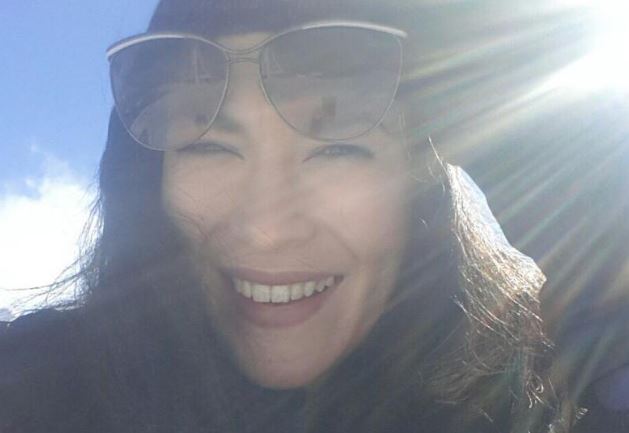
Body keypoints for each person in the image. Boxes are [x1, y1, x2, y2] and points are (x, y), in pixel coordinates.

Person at [0, 1, 570, 432]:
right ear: (146, 182)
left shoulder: (530, 400)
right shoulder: (34, 385)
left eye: (338, 148)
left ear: (418, 186)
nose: (267, 230)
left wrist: (583, 233)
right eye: (208, 145)